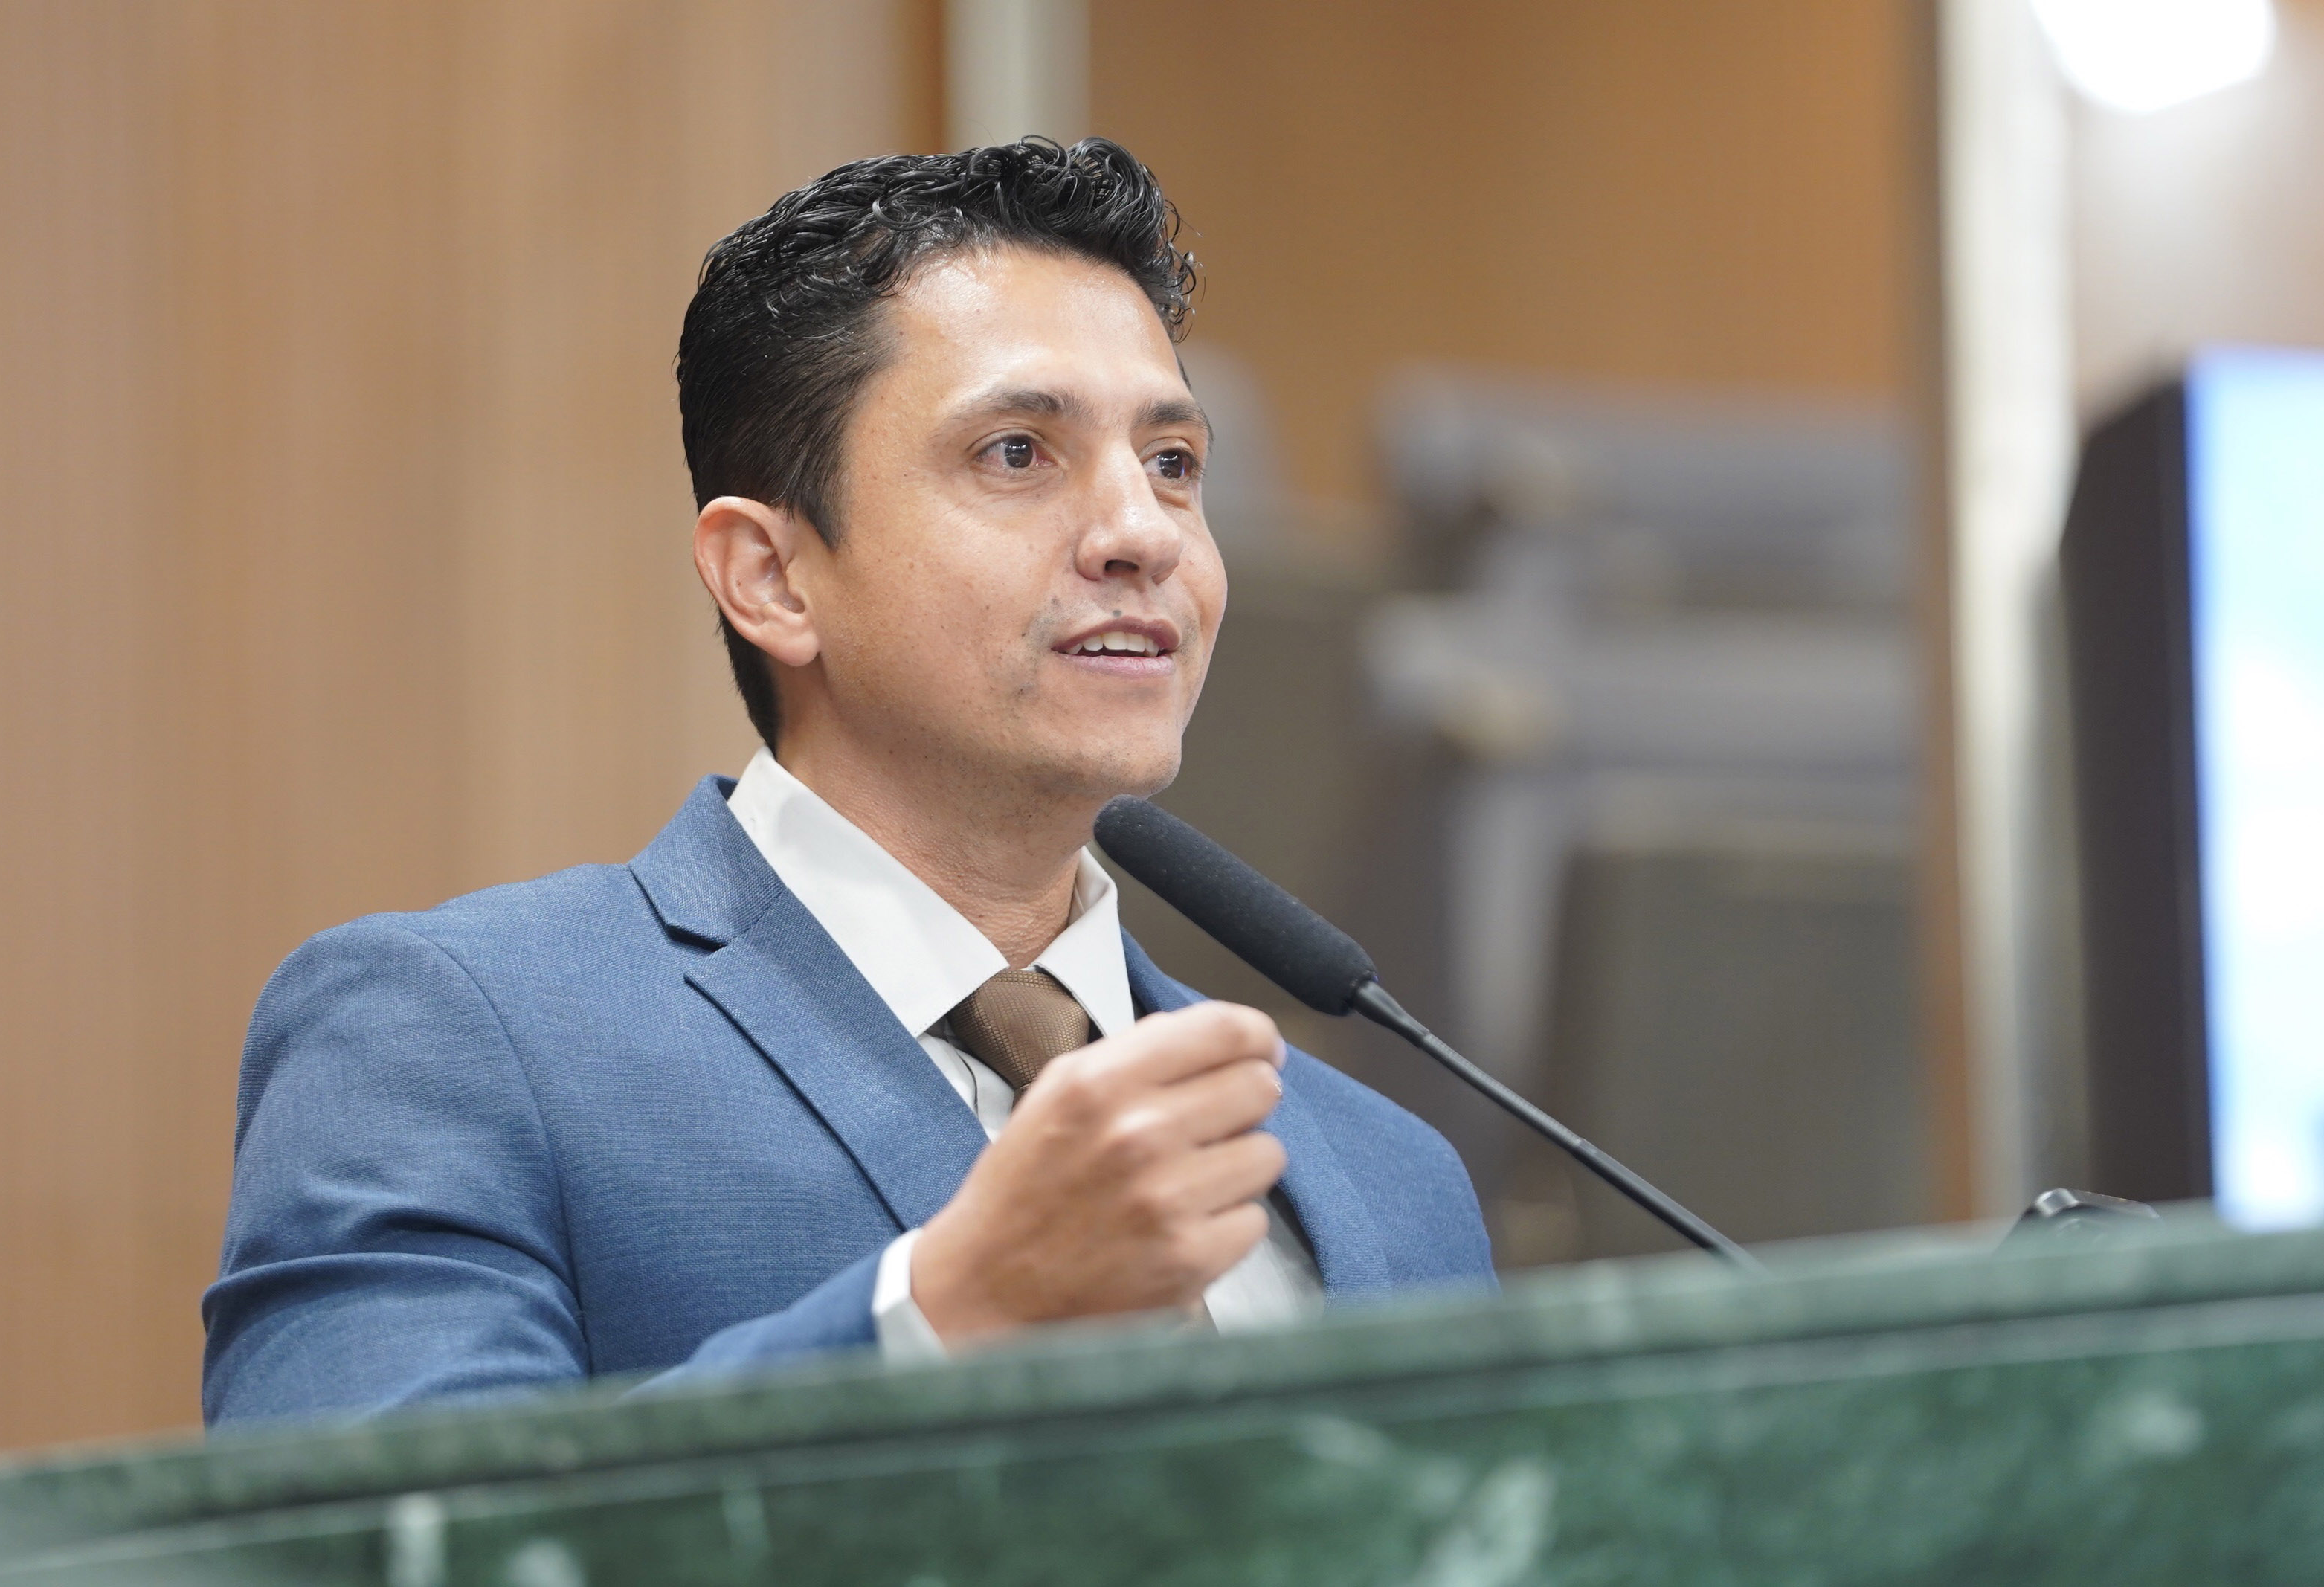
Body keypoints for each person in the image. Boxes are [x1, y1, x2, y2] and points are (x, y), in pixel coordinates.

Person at [203, 138, 1492, 1425]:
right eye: (1016, 452)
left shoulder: (1388, 1173)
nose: (1142, 534)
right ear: (771, 576)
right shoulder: (456, 1036)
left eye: (1172, 464)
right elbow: (363, 1525)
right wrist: (948, 1315)